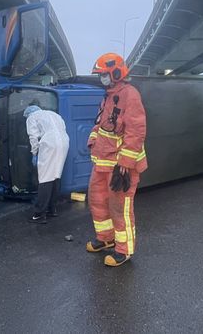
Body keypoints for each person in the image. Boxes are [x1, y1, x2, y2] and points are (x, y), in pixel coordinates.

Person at [86, 53, 148, 267]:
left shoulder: (129, 94)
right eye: (100, 75)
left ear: (115, 72)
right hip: (102, 162)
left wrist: (125, 164)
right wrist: (92, 141)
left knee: (120, 207)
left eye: (103, 74)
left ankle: (124, 250)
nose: (101, 78)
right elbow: (101, 123)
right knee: (98, 200)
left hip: (120, 167)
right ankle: (106, 238)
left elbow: (136, 131)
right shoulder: (109, 95)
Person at [24, 105, 70, 224]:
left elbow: (33, 136)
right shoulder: (55, 114)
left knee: (45, 178)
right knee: (55, 175)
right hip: (64, 143)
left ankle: (39, 214)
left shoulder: (32, 117)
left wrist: (34, 153)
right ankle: (52, 209)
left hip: (49, 144)